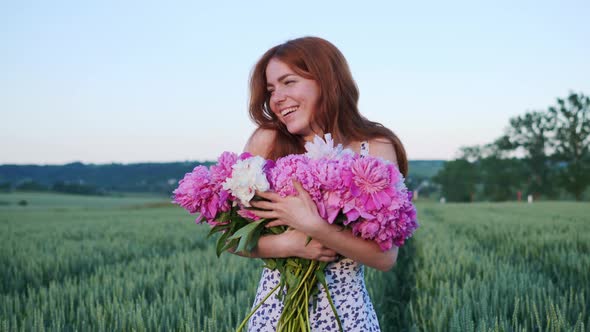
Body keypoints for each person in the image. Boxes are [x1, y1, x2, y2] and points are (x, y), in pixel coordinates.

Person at [240, 36, 409, 331]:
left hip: (348, 318)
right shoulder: (266, 142)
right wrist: (286, 244)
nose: (276, 98)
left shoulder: (375, 147)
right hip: (273, 317)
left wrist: (314, 227)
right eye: (271, 89)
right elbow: (234, 238)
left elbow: (386, 258)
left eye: (288, 82)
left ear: (326, 80)